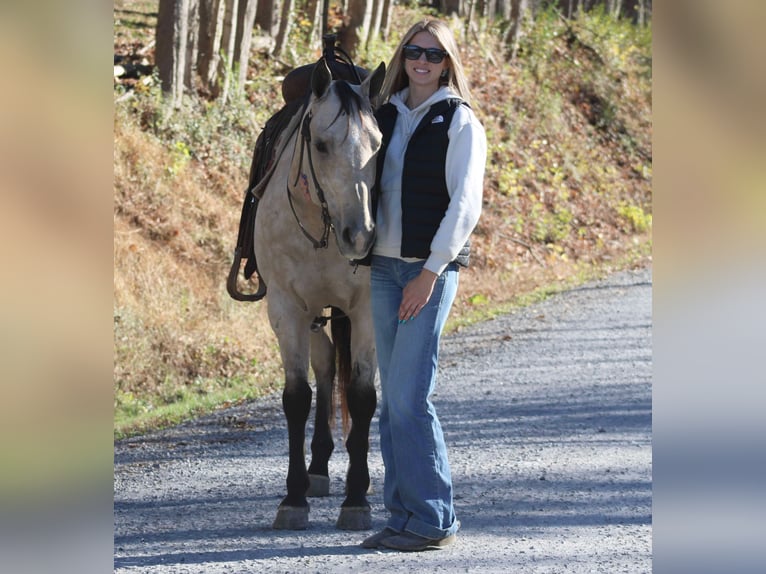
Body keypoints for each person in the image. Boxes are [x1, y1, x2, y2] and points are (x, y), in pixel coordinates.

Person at [360, 19, 487, 552]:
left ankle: (434, 518)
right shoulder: (382, 114)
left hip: (424, 273)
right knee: (393, 403)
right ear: (401, 56)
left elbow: (465, 204)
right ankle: (403, 514)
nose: (422, 61)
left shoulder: (460, 121)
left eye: (433, 55)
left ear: (448, 62)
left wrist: (431, 271)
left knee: (412, 399)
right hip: (382, 270)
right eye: (414, 51)